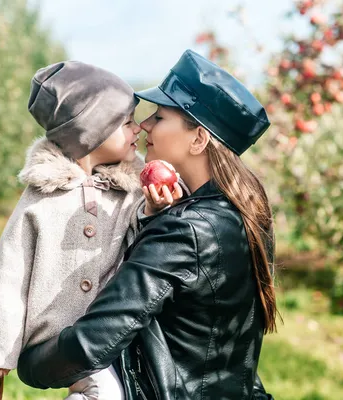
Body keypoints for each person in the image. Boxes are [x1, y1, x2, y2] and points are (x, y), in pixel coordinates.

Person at [16, 49, 278, 399]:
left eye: (160, 116)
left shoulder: (188, 230)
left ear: (198, 139)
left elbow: (96, 338)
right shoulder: (246, 212)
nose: (143, 125)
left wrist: (31, 363)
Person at [0, 60, 152, 400]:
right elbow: (11, 270)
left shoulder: (132, 190)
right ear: (93, 133)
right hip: (54, 341)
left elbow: (150, 240)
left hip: (111, 334)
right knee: (104, 390)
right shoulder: (42, 198)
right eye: (127, 123)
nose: (138, 129)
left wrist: (157, 205)